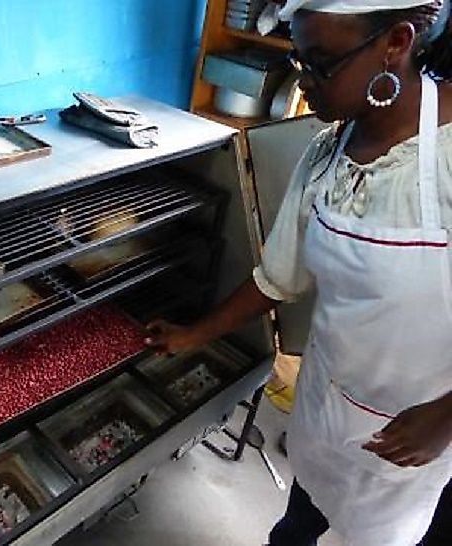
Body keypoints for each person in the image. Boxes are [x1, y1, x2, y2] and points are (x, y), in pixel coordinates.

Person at [146, 1, 452, 544]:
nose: (304, 82)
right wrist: (193, 334)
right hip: (327, 404)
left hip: (423, 434)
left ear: (397, 42)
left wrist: (445, 418)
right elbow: (279, 277)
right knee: (298, 523)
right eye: (298, 60)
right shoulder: (326, 154)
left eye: (321, 62)